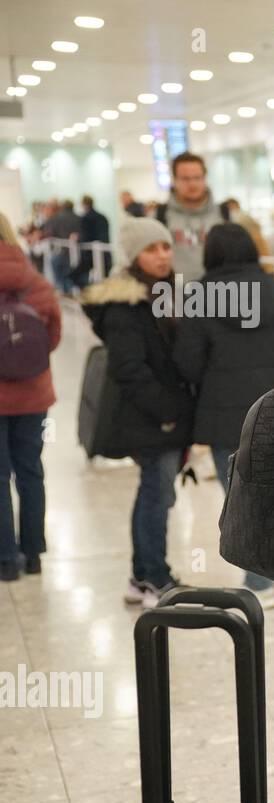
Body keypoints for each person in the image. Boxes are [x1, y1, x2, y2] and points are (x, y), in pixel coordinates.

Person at [173, 223, 274, 608]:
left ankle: (259, 580)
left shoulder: (198, 297)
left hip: (223, 417)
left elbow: (187, 362)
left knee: (239, 493)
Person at [81, 217, 194, 609]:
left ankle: (141, 576)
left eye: (165, 247)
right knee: (156, 494)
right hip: (150, 417)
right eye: (151, 249)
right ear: (133, 256)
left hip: (164, 414)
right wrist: (166, 411)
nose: (162, 256)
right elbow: (129, 369)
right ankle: (155, 579)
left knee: (154, 492)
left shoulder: (163, 292)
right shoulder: (126, 304)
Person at [0, 213, 61, 581]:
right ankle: (34, 553)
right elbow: (51, 335)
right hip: (33, 393)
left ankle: (6, 561)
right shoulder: (34, 279)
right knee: (31, 472)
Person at [156, 151, 229, 281]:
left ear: (204, 178)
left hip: (220, 293)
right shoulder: (159, 216)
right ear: (174, 180)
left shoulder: (224, 214)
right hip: (174, 294)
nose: (192, 184)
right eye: (185, 178)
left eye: (197, 177)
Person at [72, 195, 112, 289]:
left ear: (84, 204)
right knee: (104, 281)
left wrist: (77, 238)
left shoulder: (85, 218)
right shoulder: (103, 217)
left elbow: (84, 237)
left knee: (77, 276)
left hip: (89, 255)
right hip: (105, 254)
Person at [45, 201, 81, 294]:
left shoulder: (55, 219)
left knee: (61, 279)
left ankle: (66, 295)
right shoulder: (78, 218)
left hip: (61, 252)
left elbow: (50, 233)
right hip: (76, 252)